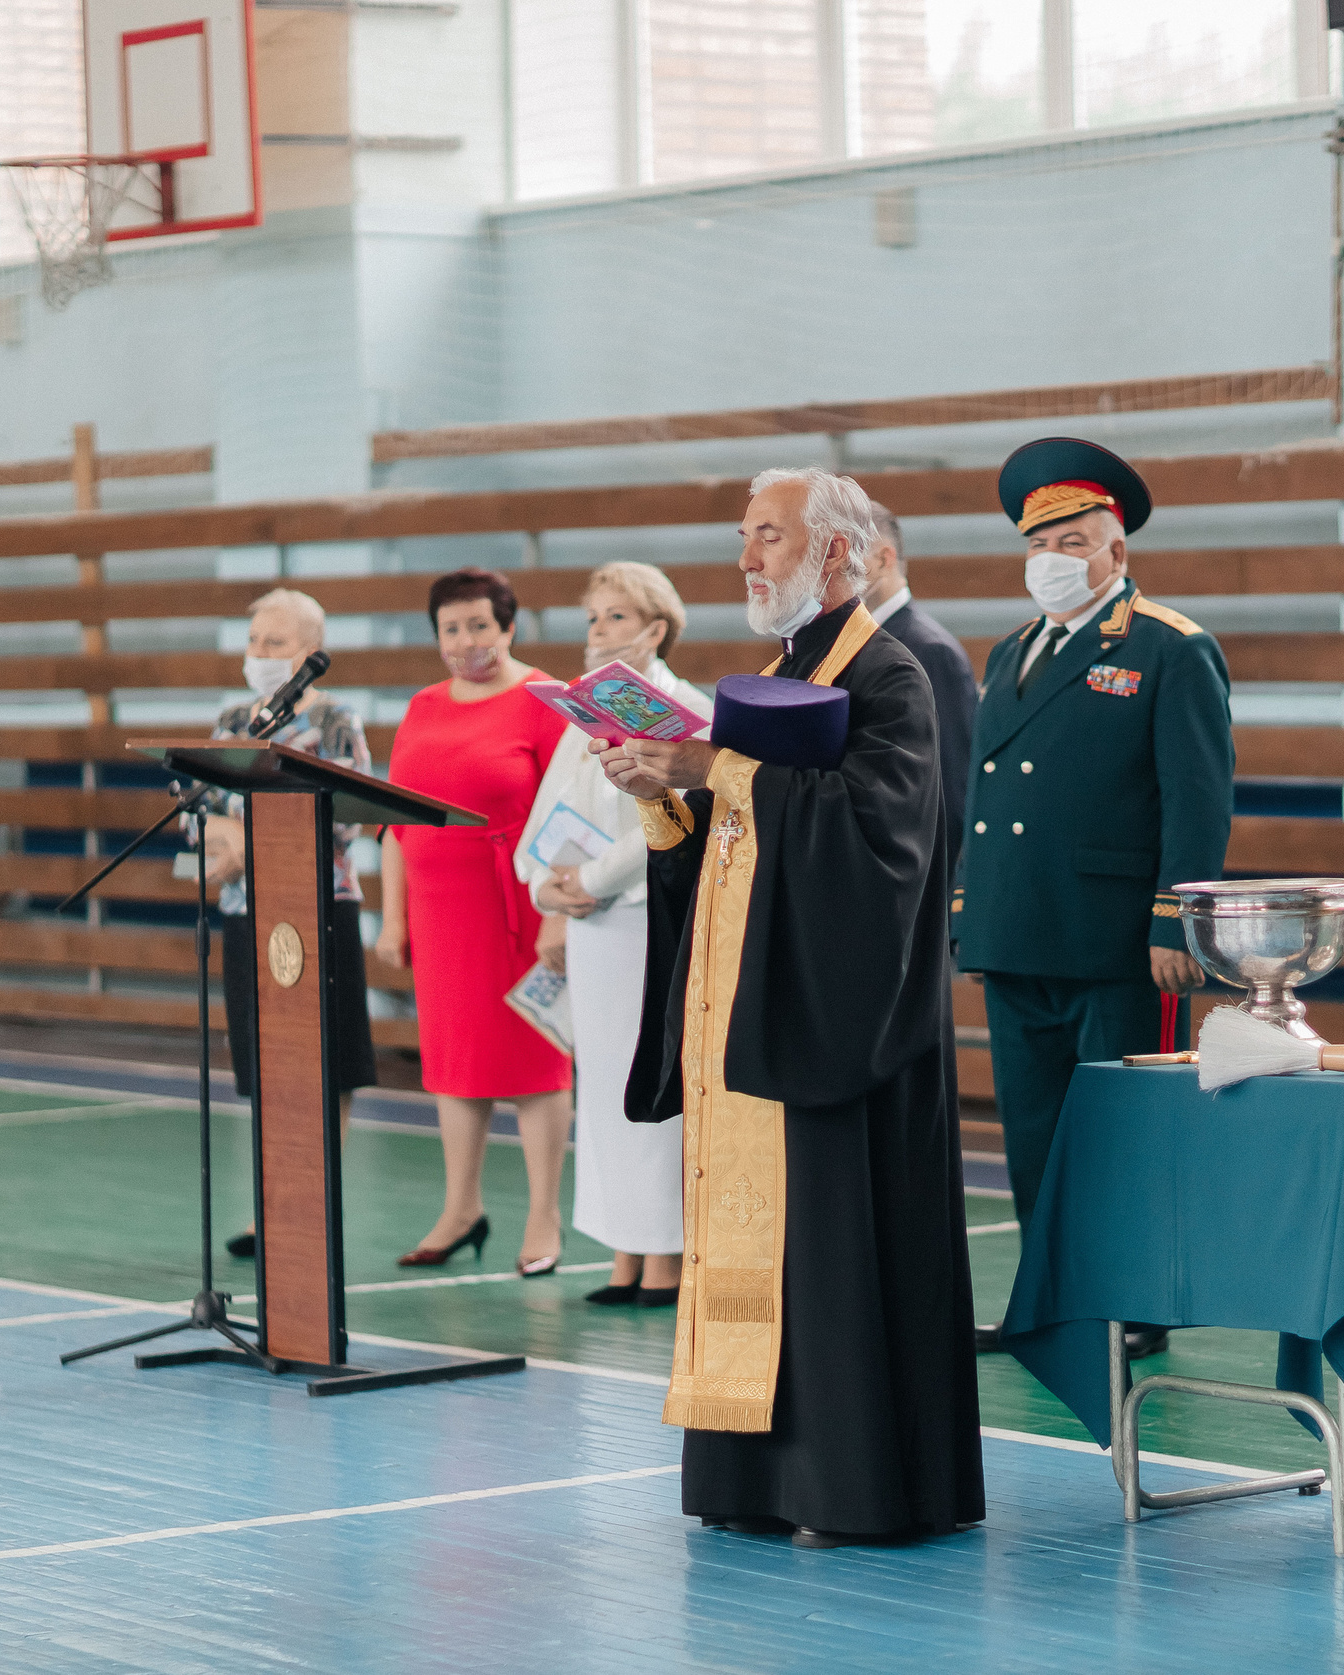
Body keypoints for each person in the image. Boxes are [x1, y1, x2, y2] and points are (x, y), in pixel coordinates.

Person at [598, 466, 983, 1550]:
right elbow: (734, 853)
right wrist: (666, 804)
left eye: (769, 536)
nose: (747, 557)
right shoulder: (774, 675)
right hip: (754, 1010)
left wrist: (715, 767)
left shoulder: (893, 676)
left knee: (829, 1249)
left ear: (841, 555)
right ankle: (758, 1477)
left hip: (840, 1014)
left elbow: (882, 846)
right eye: (745, 536)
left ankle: (850, 1485)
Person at [950, 437, 1233, 1359]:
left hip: (1117, 940)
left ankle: (1133, 1302)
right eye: (1042, 545)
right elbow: (989, 797)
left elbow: (1198, 795)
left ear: (1117, 551)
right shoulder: (1008, 652)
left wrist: (1174, 916)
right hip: (1019, 929)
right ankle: (1055, 1295)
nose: (1055, 561)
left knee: (1123, 1127)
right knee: (1033, 1129)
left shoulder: (1168, 647)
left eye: (1075, 542)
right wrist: (969, 908)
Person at [514, 562, 711, 1308]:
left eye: (617, 618)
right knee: (601, 1087)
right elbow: (546, 813)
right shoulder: (586, 709)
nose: (599, 631)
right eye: (593, 618)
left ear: (657, 628)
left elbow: (676, 815)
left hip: (644, 919)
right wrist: (542, 883)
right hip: (591, 927)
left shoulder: (685, 707)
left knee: (650, 1080)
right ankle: (623, 1249)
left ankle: (665, 1251)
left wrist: (590, 884)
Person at [376, 569, 576, 1276]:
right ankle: (461, 1205)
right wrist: (392, 916)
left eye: (479, 626)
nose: (466, 642)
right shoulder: (423, 705)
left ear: (509, 627)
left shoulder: (543, 702)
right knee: (453, 1067)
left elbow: (569, 819)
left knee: (533, 1065)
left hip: (517, 910)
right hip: (440, 917)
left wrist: (555, 916)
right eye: (451, 629)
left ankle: (544, 1213)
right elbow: (396, 820)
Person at [202, 588, 374, 1260]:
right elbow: (210, 807)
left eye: (274, 643)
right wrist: (235, 845)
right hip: (248, 910)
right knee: (264, 1062)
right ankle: (270, 1204)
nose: (260, 655)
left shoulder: (335, 718)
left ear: (308, 650)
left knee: (322, 1061)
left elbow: (349, 813)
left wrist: (254, 842)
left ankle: (315, 1201)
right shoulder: (230, 718)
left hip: (320, 908)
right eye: (253, 642)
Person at [861, 498, 977, 849]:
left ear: (884, 558)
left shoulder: (928, 650)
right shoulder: (860, 642)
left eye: (847, 557)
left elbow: (950, 787)